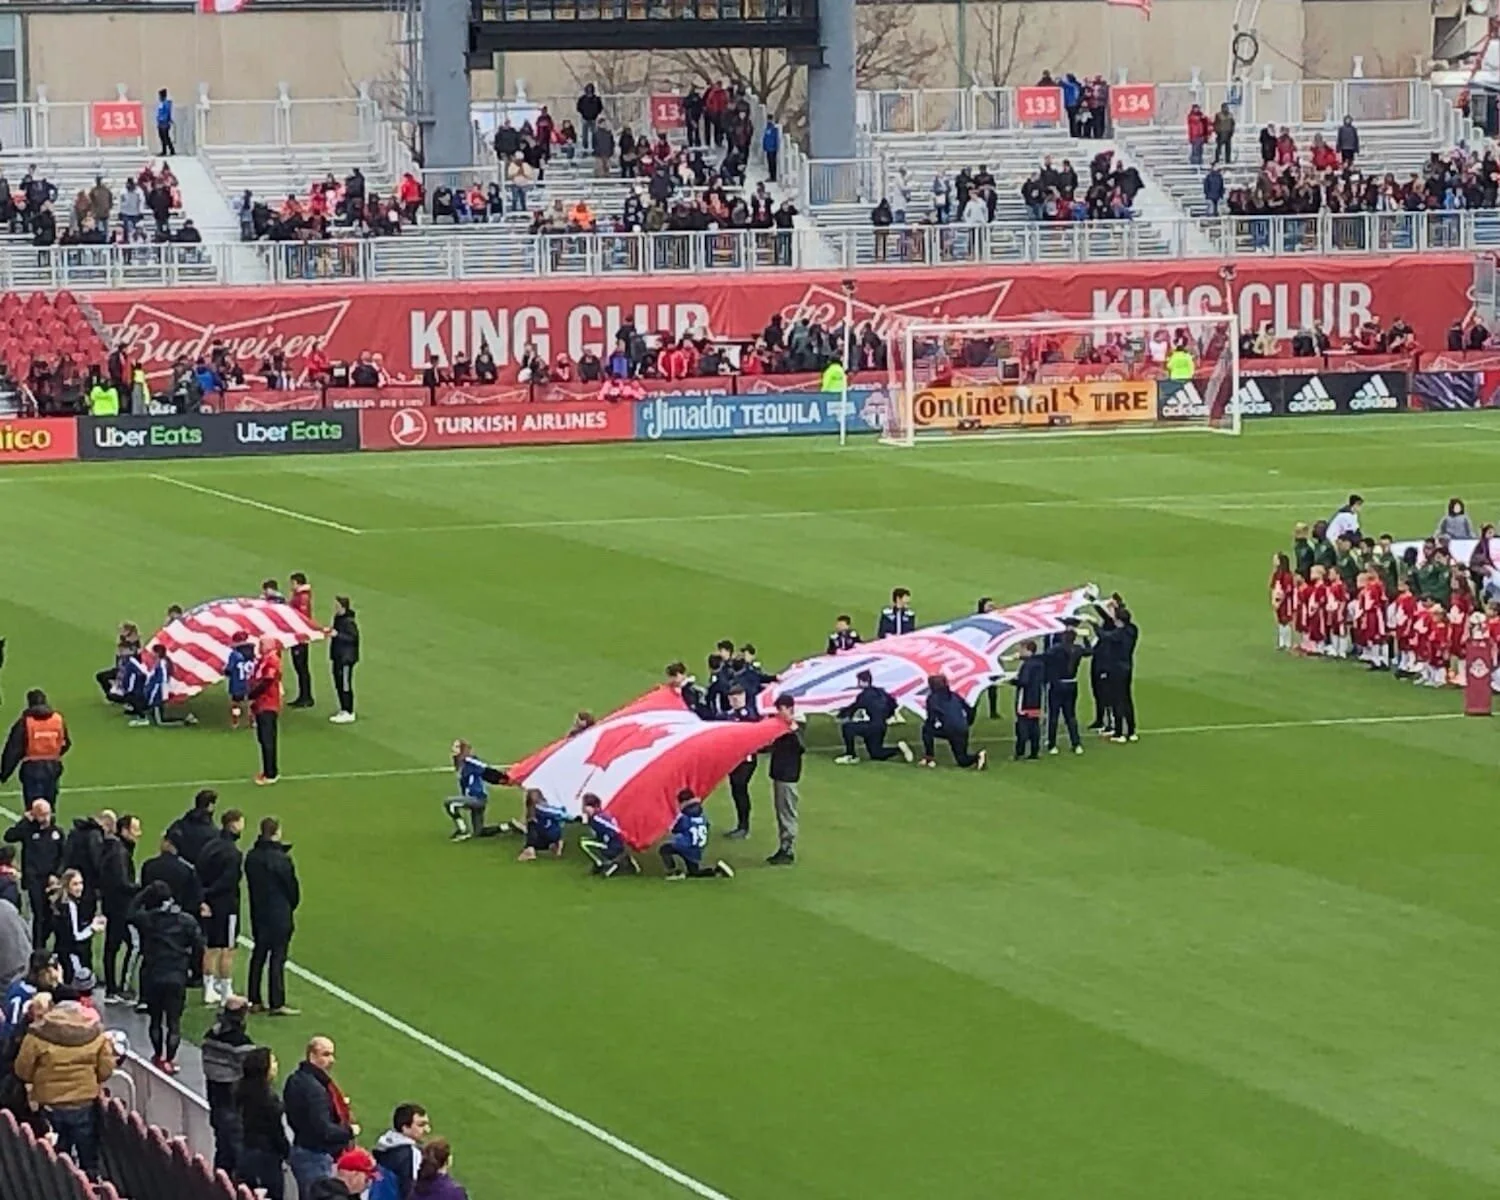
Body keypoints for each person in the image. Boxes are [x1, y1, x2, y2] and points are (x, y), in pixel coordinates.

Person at [13, 992, 116, 1176]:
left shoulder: (37, 1034)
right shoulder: (96, 1034)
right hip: (83, 1102)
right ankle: (90, 1183)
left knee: (56, 1153)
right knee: (87, 1151)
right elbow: (106, 1069)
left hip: (49, 1103)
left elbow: (22, 1069)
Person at [130, 878, 204, 1074]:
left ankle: (157, 1055)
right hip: (176, 974)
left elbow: (130, 913)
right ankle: (170, 1059)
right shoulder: (186, 921)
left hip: (153, 974)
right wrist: (195, 972)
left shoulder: (148, 920)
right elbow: (199, 947)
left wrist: (143, 893)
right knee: (173, 1022)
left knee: (155, 1020)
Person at [285, 1036, 357, 1193]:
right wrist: (350, 1131)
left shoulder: (295, 1078)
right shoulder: (315, 1088)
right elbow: (324, 1129)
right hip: (315, 1155)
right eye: (326, 1054)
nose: (331, 1060)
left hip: (302, 1147)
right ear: (312, 1056)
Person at [245, 816, 300, 1016]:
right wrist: (290, 905)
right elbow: (292, 888)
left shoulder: (252, 856)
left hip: (259, 912)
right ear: (277, 832)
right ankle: (277, 1002)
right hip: (279, 913)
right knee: (277, 957)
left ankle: (254, 999)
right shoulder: (282, 859)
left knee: (258, 955)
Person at [195, 808, 245, 1006]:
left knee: (211, 948)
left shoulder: (209, 846)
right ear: (233, 824)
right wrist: (212, 893)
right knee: (227, 948)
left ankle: (208, 989)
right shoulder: (233, 853)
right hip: (226, 906)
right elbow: (228, 881)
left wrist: (203, 896)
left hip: (209, 905)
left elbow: (198, 874)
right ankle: (226, 991)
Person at [202, 997, 255, 1177]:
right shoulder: (240, 1042)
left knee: (222, 1148)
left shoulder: (211, 1035)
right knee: (237, 1152)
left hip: (215, 1098)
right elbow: (251, 1070)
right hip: (232, 1102)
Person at [5, 800, 64, 949]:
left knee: (52, 917)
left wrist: (56, 874)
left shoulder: (57, 832)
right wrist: (25, 821)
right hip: (34, 880)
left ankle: (46, 943)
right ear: (34, 814)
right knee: (39, 916)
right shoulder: (28, 830)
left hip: (51, 881)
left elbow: (64, 856)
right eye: (42, 815)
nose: (46, 818)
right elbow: (9, 836)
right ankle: (38, 948)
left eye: (47, 814)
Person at [0, 689, 70, 809]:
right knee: (49, 804)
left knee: (34, 806)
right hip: (53, 766)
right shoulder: (58, 720)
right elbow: (66, 743)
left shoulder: (25, 722)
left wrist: (5, 773)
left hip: (32, 767)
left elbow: (13, 750)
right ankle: (49, 825)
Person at [236, 1046, 290, 1200]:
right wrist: (286, 1151)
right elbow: (276, 1132)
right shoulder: (268, 1100)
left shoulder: (243, 1091)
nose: (276, 1064)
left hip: (247, 1151)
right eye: (272, 1061)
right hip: (266, 1158)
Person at [834, 670, 912, 764]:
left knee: (847, 727)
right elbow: (893, 705)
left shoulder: (864, 695)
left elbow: (853, 708)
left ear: (862, 681)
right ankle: (898, 750)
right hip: (881, 726)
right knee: (876, 754)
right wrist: (887, 716)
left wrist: (841, 713)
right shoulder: (882, 692)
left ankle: (851, 755)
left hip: (872, 726)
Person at [660, 789, 733, 879]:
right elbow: (706, 826)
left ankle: (673, 872)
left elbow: (675, 830)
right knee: (695, 872)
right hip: (697, 849)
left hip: (686, 846)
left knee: (664, 849)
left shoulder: (685, 817)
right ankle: (716, 871)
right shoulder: (702, 816)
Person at [717, 685, 759, 839]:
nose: (735, 700)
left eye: (737, 697)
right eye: (732, 698)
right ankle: (742, 824)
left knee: (740, 788)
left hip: (746, 760)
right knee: (736, 790)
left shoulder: (748, 714)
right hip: (734, 759)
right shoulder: (729, 715)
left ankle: (744, 826)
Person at [443, 742, 508, 841]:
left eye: (456, 747)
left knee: (449, 803)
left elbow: (485, 768)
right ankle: (508, 826)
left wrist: (502, 778)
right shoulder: (461, 764)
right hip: (474, 798)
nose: (453, 748)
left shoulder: (469, 760)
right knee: (479, 832)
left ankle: (462, 830)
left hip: (477, 798)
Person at [766, 695, 803, 866]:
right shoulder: (782, 727)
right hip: (780, 774)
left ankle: (787, 850)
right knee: (782, 812)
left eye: (781, 709)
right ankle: (784, 847)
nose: (779, 713)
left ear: (789, 709)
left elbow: (801, 746)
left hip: (788, 776)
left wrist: (792, 728)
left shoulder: (796, 727)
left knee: (787, 813)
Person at [919, 674, 986, 770]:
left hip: (949, 729)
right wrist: (967, 723)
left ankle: (929, 758)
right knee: (962, 760)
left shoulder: (932, 698)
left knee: (926, 730)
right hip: (962, 729)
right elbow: (969, 709)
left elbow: (931, 718)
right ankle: (978, 756)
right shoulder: (954, 695)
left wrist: (933, 726)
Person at [49, 869, 103, 983]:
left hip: (61, 952)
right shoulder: (70, 906)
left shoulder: (60, 903)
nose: (79, 887)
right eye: (75, 884)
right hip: (71, 956)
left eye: (81, 883)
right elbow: (75, 936)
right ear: (67, 885)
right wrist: (92, 928)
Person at [123, 645, 197, 727]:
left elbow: (163, 679)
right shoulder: (160, 662)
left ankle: (185, 721)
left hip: (157, 695)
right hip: (156, 693)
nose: (151, 653)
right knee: (156, 716)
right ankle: (185, 720)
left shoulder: (162, 663)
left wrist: (162, 695)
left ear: (157, 653)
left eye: (153, 652)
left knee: (160, 722)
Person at [1043, 628, 1089, 755]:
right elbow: (1090, 651)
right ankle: (1076, 744)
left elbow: (1045, 657)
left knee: (1054, 715)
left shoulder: (1056, 649)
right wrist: (1086, 638)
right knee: (1071, 716)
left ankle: (1052, 744)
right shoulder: (1078, 649)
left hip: (1058, 684)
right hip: (1072, 684)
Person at [1100, 598, 1140, 742]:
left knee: (1117, 699)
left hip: (1116, 669)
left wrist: (1093, 625)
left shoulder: (1118, 634)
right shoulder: (1133, 630)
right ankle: (1131, 731)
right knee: (1127, 698)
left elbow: (1104, 636)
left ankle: (1119, 733)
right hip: (1127, 667)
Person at [374, 1103, 431, 1198]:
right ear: (405, 1128)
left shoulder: (384, 1144)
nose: (427, 1130)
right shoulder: (412, 1153)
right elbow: (409, 1190)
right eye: (421, 1125)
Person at [140, 831, 202, 917]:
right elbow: (194, 900)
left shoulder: (148, 865)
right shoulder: (186, 870)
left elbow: (143, 893)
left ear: (168, 843)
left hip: (151, 918)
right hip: (176, 920)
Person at [248, 636, 284, 784]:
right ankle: (267, 770)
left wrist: (252, 694)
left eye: (261, 644)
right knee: (263, 739)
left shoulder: (272, 660)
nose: (259, 647)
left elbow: (267, 681)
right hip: (261, 703)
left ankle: (271, 773)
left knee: (268, 738)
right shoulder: (264, 660)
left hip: (268, 703)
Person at [579, 795, 638, 878]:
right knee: (586, 840)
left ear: (593, 807)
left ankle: (604, 864)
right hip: (613, 843)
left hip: (612, 845)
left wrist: (627, 839)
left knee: (584, 843)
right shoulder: (600, 815)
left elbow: (615, 829)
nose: (583, 808)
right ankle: (623, 858)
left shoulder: (597, 818)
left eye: (585, 806)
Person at [1010, 641, 1046, 760]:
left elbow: (1024, 681)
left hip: (1025, 698)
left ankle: (1019, 752)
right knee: (1034, 724)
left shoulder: (1027, 665)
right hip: (1036, 698)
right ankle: (1034, 751)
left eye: (1021, 649)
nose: (1020, 652)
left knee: (1022, 725)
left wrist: (1013, 681)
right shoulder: (1040, 663)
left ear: (1027, 650)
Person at [329, 595, 360, 724]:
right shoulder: (339, 619)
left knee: (345, 684)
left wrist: (337, 635)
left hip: (346, 658)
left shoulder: (348, 622)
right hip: (338, 656)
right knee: (339, 684)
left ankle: (349, 711)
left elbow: (353, 638)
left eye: (337, 605)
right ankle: (343, 709)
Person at [166, 788, 218, 865]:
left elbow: (167, 845)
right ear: (210, 806)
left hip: (179, 869)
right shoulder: (213, 833)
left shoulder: (179, 825)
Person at [288, 573, 316, 708]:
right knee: (300, 668)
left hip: (300, 637)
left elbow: (302, 617)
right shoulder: (300, 596)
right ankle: (304, 695)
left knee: (301, 668)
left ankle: (306, 697)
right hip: (299, 636)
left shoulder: (302, 597)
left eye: (293, 583)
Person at [517, 790, 568, 863]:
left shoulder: (536, 809)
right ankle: (555, 843)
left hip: (544, 833)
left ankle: (530, 849)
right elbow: (564, 816)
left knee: (532, 824)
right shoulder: (552, 807)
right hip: (555, 833)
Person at [225, 635, 256, 731]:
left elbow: (229, 669)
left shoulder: (234, 655)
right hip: (250, 682)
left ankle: (236, 722)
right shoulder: (252, 654)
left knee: (236, 704)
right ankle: (252, 721)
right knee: (250, 702)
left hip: (237, 684)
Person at [155, 88, 175, 156]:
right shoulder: (161, 103)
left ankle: (171, 150)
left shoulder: (166, 103)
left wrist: (162, 119)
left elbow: (166, 113)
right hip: (160, 123)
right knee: (162, 137)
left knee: (166, 137)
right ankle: (164, 150)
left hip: (164, 123)